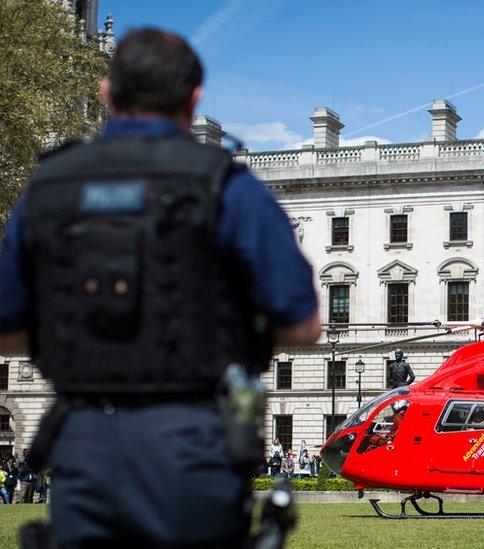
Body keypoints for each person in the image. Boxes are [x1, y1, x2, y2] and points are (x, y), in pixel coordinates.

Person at [0, 29, 320, 545]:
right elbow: (304, 326)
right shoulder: (228, 187)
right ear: (194, 99)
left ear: (106, 92)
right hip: (193, 442)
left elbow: (5, 327)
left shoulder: (47, 186)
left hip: (84, 442)